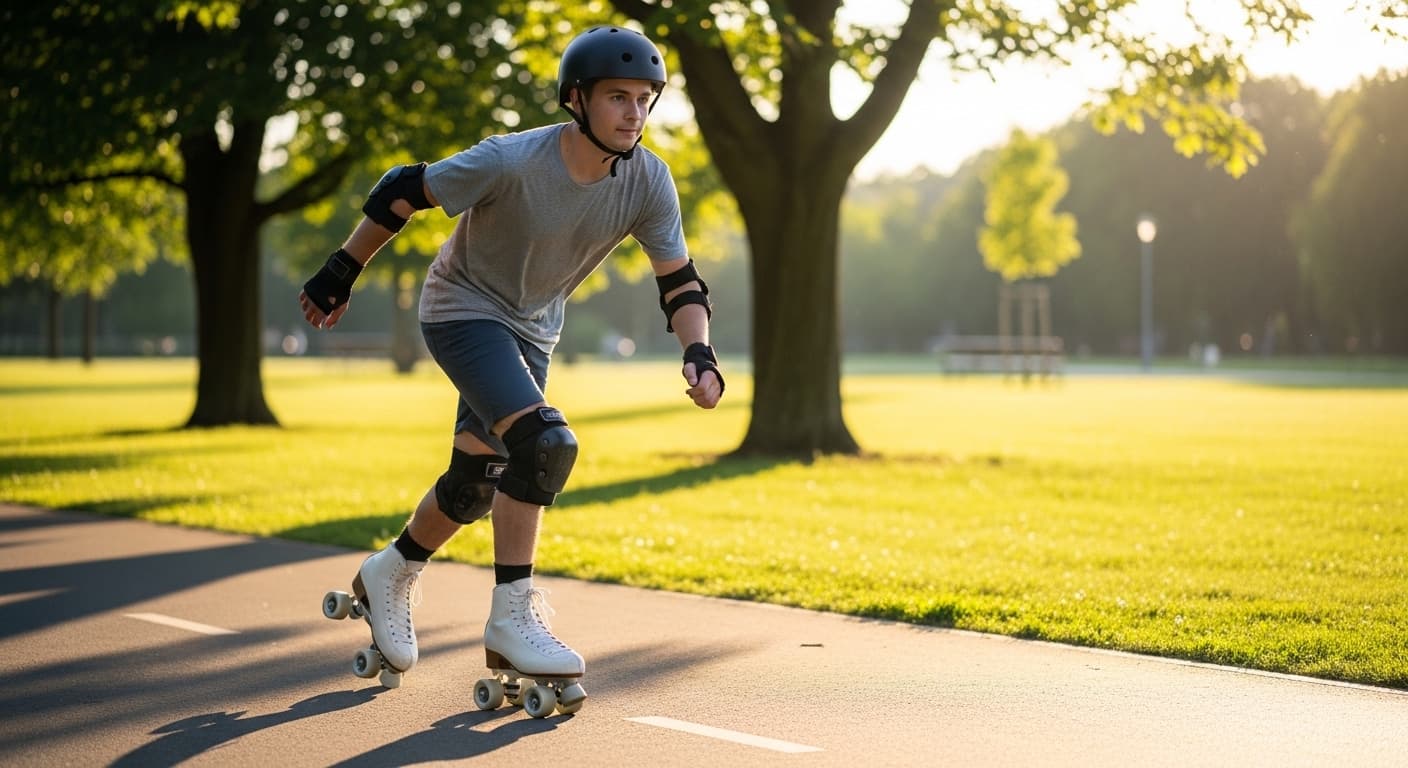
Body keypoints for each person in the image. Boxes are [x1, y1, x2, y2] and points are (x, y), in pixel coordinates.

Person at [298, 25, 723, 710]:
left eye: (645, 100)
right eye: (618, 97)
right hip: (462, 311)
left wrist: (697, 352)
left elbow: (680, 281)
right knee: (544, 445)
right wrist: (342, 269)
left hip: (531, 331)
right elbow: (402, 190)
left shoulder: (648, 179)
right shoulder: (512, 160)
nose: (633, 114)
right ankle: (511, 618)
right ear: (577, 99)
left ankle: (391, 571)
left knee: (474, 484)